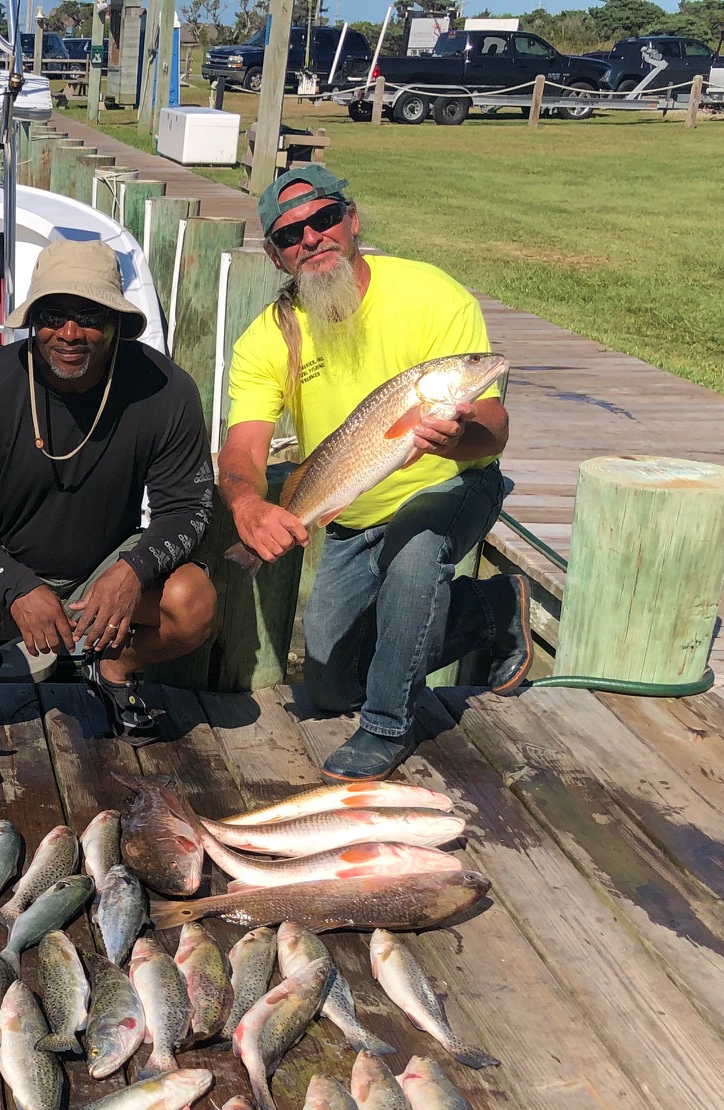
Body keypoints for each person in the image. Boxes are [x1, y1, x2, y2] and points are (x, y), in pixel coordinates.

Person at [220, 166, 530, 781]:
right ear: (277, 258)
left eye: (323, 218)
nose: (311, 239)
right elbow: (243, 450)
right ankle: (493, 611)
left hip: (450, 485)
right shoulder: (266, 339)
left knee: (414, 560)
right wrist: (248, 505)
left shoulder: (432, 294)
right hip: (351, 509)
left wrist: (457, 437)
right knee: (332, 686)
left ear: (352, 220)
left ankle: (387, 726)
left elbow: (494, 428)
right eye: (290, 235)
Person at [0, 237, 217, 742]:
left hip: (104, 566)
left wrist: (132, 571)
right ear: (34, 320)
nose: (70, 332)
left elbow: (187, 506)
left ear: (117, 323)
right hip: (2, 566)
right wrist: (15, 585)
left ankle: (115, 671)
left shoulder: (167, 388)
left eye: (91, 316)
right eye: (54, 315)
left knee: (194, 604)